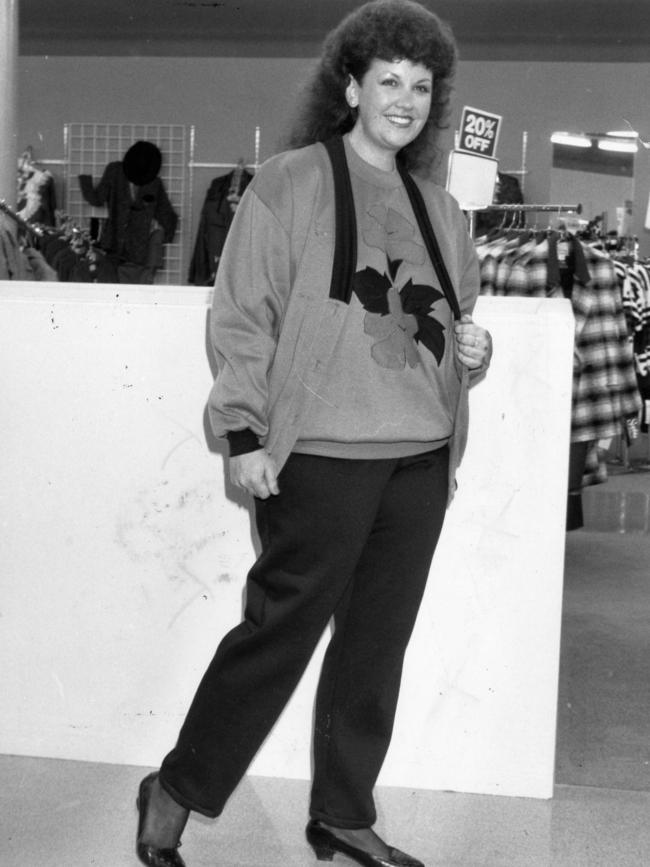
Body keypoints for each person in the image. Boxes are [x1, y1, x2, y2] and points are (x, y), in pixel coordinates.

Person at [135, 2, 492, 865]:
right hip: (318, 457)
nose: (405, 100)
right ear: (353, 86)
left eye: (421, 85)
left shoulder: (441, 208)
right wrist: (244, 431)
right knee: (278, 634)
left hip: (417, 458)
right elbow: (241, 314)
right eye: (389, 81)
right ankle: (178, 784)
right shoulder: (291, 180)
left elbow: (454, 322)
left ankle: (342, 811)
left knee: (377, 643)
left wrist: (477, 348)